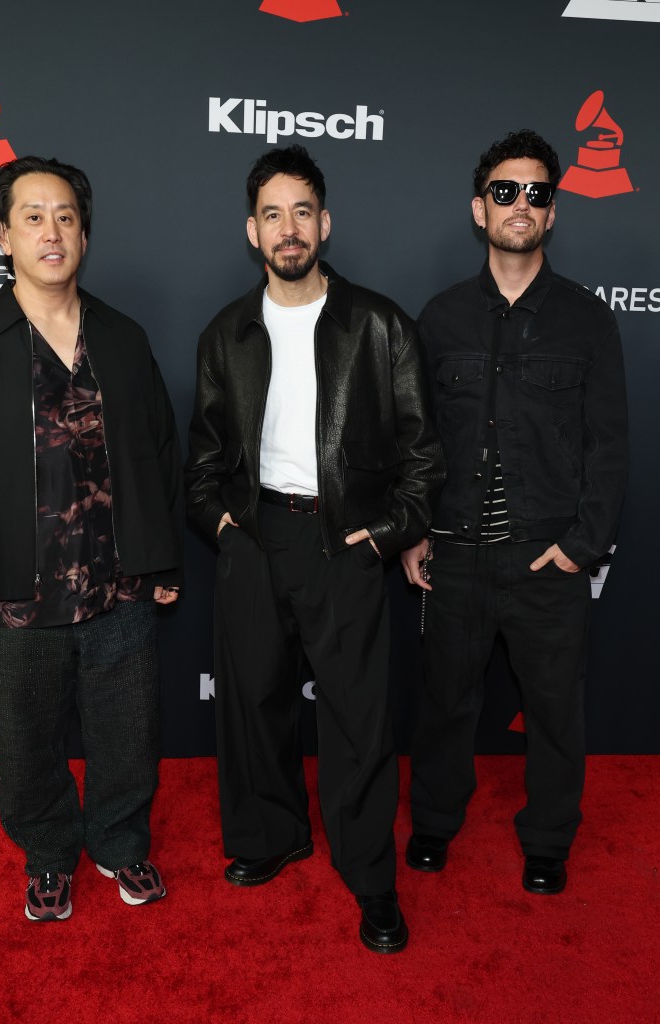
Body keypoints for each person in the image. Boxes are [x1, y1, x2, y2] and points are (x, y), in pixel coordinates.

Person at [186, 144, 444, 953]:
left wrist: (389, 533)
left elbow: (423, 453)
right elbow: (201, 457)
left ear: (324, 223)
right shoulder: (225, 333)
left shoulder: (379, 323)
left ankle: (370, 877)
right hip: (255, 535)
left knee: (359, 721)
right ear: (251, 231)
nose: (288, 228)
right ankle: (271, 836)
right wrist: (223, 525)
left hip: (346, 540)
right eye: (272, 213)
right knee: (253, 703)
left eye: (302, 211)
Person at [0, 156, 183, 921]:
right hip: (15, 591)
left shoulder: (124, 339)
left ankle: (121, 845)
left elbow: (161, 451)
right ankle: (46, 856)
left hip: (120, 585)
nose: (51, 230)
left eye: (65, 215)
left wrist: (162, 557)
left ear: (85, 234)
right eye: (32, 216)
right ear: (2, 235)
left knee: (128, 735)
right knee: (26, 746)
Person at [401, 130, 628, 895]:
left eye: (536, 192)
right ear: (479, 207)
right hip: (456, 553)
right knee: (442, 708)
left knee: (556, 713)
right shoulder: (437, 319)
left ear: (553, 212)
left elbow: (608, 444)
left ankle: (547, 840)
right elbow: (417, 437)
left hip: (545, 558)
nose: (520, 204)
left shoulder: (587, 320)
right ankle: (433, 824)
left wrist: (580, 548)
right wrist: (417, 531)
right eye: (505, 191)